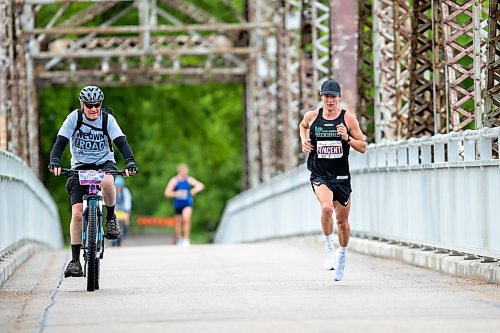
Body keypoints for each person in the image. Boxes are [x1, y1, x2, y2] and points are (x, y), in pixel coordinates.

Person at [48, 85, 139, 278]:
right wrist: (54, 161)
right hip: (80, 166)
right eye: (89, 105)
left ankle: (110, 218)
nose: (93, 109)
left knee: (107, 182)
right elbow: (61, 142)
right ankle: (74, 261)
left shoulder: (107, 119)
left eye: (97, 105)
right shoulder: (74, 118)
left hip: (104, 163)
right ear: (82, 105)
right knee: (77, 213)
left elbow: (121, 142)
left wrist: (130, 162)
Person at [299, 79, 367, 282]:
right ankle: (329, 249)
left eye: (333, 96)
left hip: (341, 177)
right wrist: (304, 141)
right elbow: (302, 127)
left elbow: (362, 146)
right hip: (320, 173)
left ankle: (342, 256)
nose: (330, 100)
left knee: (343, 223)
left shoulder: (348, 119)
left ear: (339, 97)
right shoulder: (312, 117)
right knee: (326, 208)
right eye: (326, 96)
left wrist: (346, 138)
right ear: (321, 97)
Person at [164, 164, 204, 246]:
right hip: (178, 204)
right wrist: (176, 194)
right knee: (178, 222)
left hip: (187, 203)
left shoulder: (188, 179)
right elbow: (167, 193)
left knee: (186, 219)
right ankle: (179, 239)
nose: (186, 173)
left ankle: (186, 239)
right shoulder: (174, 181)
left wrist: (193, 191)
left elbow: (200, 185)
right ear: (180, 171)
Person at [112, 175, 132, 246]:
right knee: (113, 220)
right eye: (117, 186)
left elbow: (128, 202)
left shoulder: (125, 191)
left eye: (119, 186)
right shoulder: (113, 191)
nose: (118, 188)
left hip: (123, 209)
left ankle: (125, 233)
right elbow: (112, 202)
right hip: (115, 209)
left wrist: (126, 210)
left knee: (126, 218)